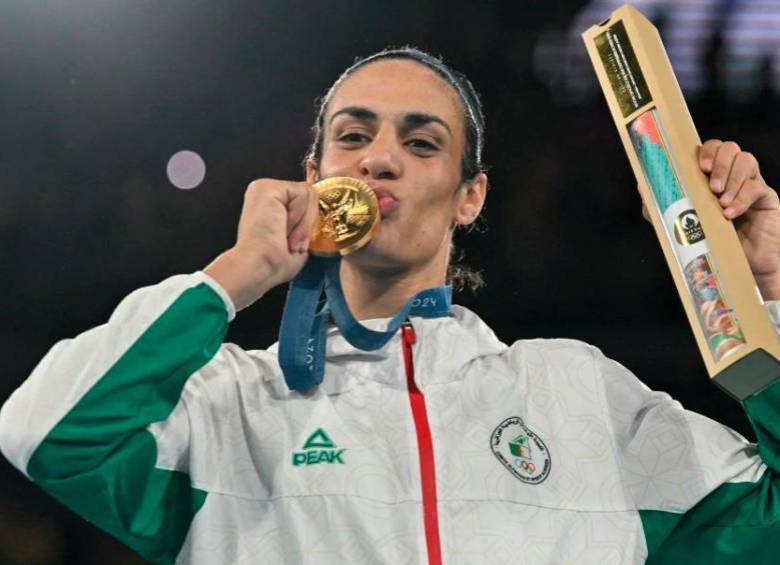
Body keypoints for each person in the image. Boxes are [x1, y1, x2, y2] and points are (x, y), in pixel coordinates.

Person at [1, 47, 779, 565]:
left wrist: (766, 290)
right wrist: (234, 276)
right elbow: (43, 432)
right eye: (353, 135)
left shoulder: (579, 395)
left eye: (421, 142)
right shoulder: (231, 406)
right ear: (313, 172)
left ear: (470, 196)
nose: (378, 157)